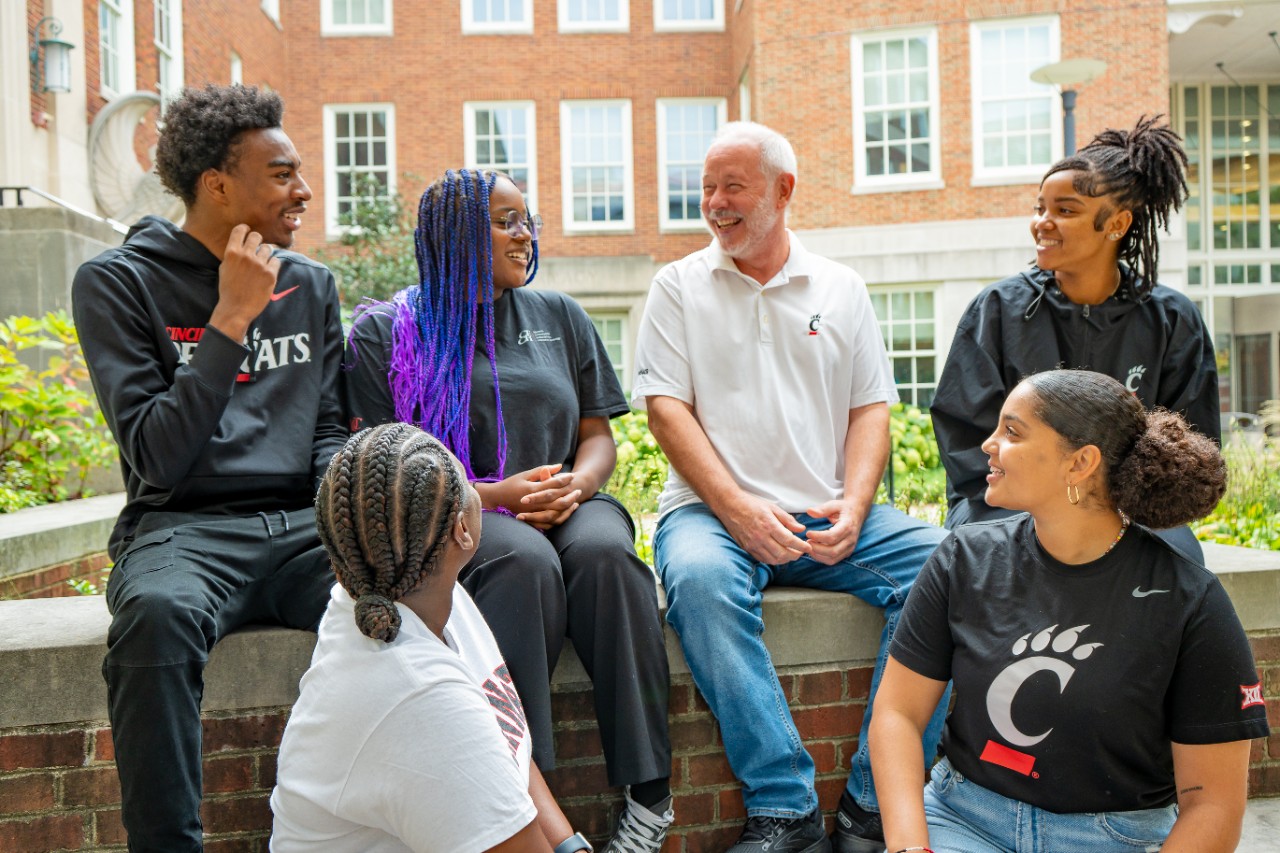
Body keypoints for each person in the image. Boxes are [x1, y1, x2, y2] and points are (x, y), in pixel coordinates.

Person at [632, 120, 949, 853]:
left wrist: (857, 504)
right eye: (707, 188)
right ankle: (785, 809)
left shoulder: (842, 287)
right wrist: (737, 508)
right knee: (704, 583)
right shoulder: (676, 286)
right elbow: (665, 411)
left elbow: (872, 407)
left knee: (947, 568)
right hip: (710, 513)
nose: (714, 203)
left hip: (825, 509)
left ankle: (874, 804)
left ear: (784, 189)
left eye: (732, 186)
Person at [343, 169, 673, 852]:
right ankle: (520, 803)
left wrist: (576, 487)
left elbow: (597, 434)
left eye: (529, 219)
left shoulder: (561, 317)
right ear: (458, 234)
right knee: (523, 564)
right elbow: (389, 461)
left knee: (610, 557)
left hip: (567, 497)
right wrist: (495, 496)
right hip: (456, 508)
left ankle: (650, 801)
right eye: (506, 220)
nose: (527, 234)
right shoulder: (390, 332)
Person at [71, 84, 346, 851]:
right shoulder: (118, 283)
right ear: (218, 185)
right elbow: (155, 453)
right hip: (182, 526)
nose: (305, 190)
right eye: (283, 173)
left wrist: (338, 516)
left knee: (406, 602)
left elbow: (326, 426)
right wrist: (229, 318)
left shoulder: (313, 284)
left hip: (301, 526)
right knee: (154, 623)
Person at [871, 369, 1269, 853]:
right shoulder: (964, 558)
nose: (988, 444)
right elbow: (898, 713)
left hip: (1114, 838)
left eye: (1012, 431)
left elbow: (1213, 805)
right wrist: (911, 847)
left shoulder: (1190, 600)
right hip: (963, 818)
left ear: (1080, 463)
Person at [271, 423, 588, 853]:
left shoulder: (410, 594)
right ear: (462, 530)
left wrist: (571, 844)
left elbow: (507, 746)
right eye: (467, 482)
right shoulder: (420, 696)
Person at [931, 116, 1217, 560]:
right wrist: (1043, 505)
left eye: (1065, 211)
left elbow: (1186, 444)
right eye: (1039, 208)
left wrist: (1104, 509)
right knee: (1000, 556)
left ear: (1117, 224)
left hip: (1128, 511)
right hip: (1007, 506)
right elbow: (965, 434)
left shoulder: (1172, 319)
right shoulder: (998, 310)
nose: (1042, 223)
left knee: (1176, 562)